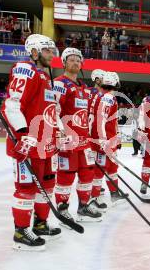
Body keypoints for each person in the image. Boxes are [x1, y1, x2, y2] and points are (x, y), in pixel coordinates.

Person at [2, 34, 60, 251]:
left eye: (53, 51)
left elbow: (50, 111)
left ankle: (41, 223)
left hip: (45, 144)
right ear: (34, 52)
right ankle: (21, 231)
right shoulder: (25, 69)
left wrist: (60, 131)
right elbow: (12, 104)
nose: (51, 55)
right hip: (28, 143)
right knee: (26, 189)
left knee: (46, 186)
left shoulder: (44, 76)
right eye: (47, 51)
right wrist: (22, 133)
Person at [53, 47, 102, 223]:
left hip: (84, 142)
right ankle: (63, 208)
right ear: (64, 63)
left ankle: (83, 205)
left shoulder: (83, 87)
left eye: (77, 59)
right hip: (68, 141)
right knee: (66, 175)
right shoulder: (59, 83)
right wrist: (59, 133)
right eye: (71, 59)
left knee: (88, 173)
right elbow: (54, 110)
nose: (75, 62)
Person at [89, 71, 125, 209]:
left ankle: (114, 192)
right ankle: (94, 197)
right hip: (103, 141)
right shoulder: (108, 97)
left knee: (111, 167)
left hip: (107, 140)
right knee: (99, 171)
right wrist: (103, 140)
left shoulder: (101, 95)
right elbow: (101, 120)